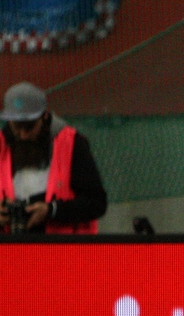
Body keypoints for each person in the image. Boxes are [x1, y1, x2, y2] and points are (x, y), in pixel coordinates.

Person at [0, 82, 107, 234]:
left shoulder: (71, 142)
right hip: (9, 251)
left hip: (62, 250)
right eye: (16, 127)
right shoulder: (1, 145)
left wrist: (52, 211)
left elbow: (96, 203)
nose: (23, 135)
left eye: (29, 127)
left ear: (44, 116)